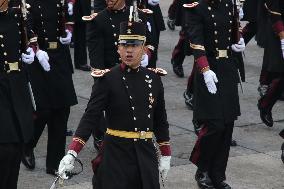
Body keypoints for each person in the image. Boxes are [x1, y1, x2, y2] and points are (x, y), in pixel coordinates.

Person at [58, 17, 171, 189]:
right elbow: (90, 116)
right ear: (118, 48)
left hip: (145, 155)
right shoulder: (108, 79)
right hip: (115, 157)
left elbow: (160, 119)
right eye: (124, 45)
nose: (128, 51)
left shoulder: (154, 79)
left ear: (143, 48)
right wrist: (72, 153)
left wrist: (165, 154)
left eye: (134, 46)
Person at [185, 0, 246, 188]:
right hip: (208, 69)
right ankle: (202, 169)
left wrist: (238, 40)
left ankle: (218, 175)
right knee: (214, 124)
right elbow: (195, 41)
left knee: (227, 124)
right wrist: (204, 69)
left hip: (227, 65)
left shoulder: (228, 4)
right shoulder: (197, 7)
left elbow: (232, 28)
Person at [21, 0, 78, 175]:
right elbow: (23, 26)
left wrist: (68, 31)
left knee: (62, 109)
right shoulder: (25, 3)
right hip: (38, 58)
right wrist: (35, 50)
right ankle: (27, 145)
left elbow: (67, 15)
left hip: (59, 54)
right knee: (43, 110)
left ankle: (54, 163)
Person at [0, 0, 34, 188]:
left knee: (15, 148)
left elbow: (25, 40)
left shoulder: (16, 16)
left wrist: (27, 53)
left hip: (15, 85)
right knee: (5, 148)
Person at [257, 0, 284, 128]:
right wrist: (282, 36)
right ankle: (266, 105)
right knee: (280, 74)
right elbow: (273, 9)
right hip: (278, 28)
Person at [67, 0, 92, 71]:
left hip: (82, 8)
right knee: (80, 35)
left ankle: (80, 62)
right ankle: (80, 62)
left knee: (81, 35)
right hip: (78, 8)